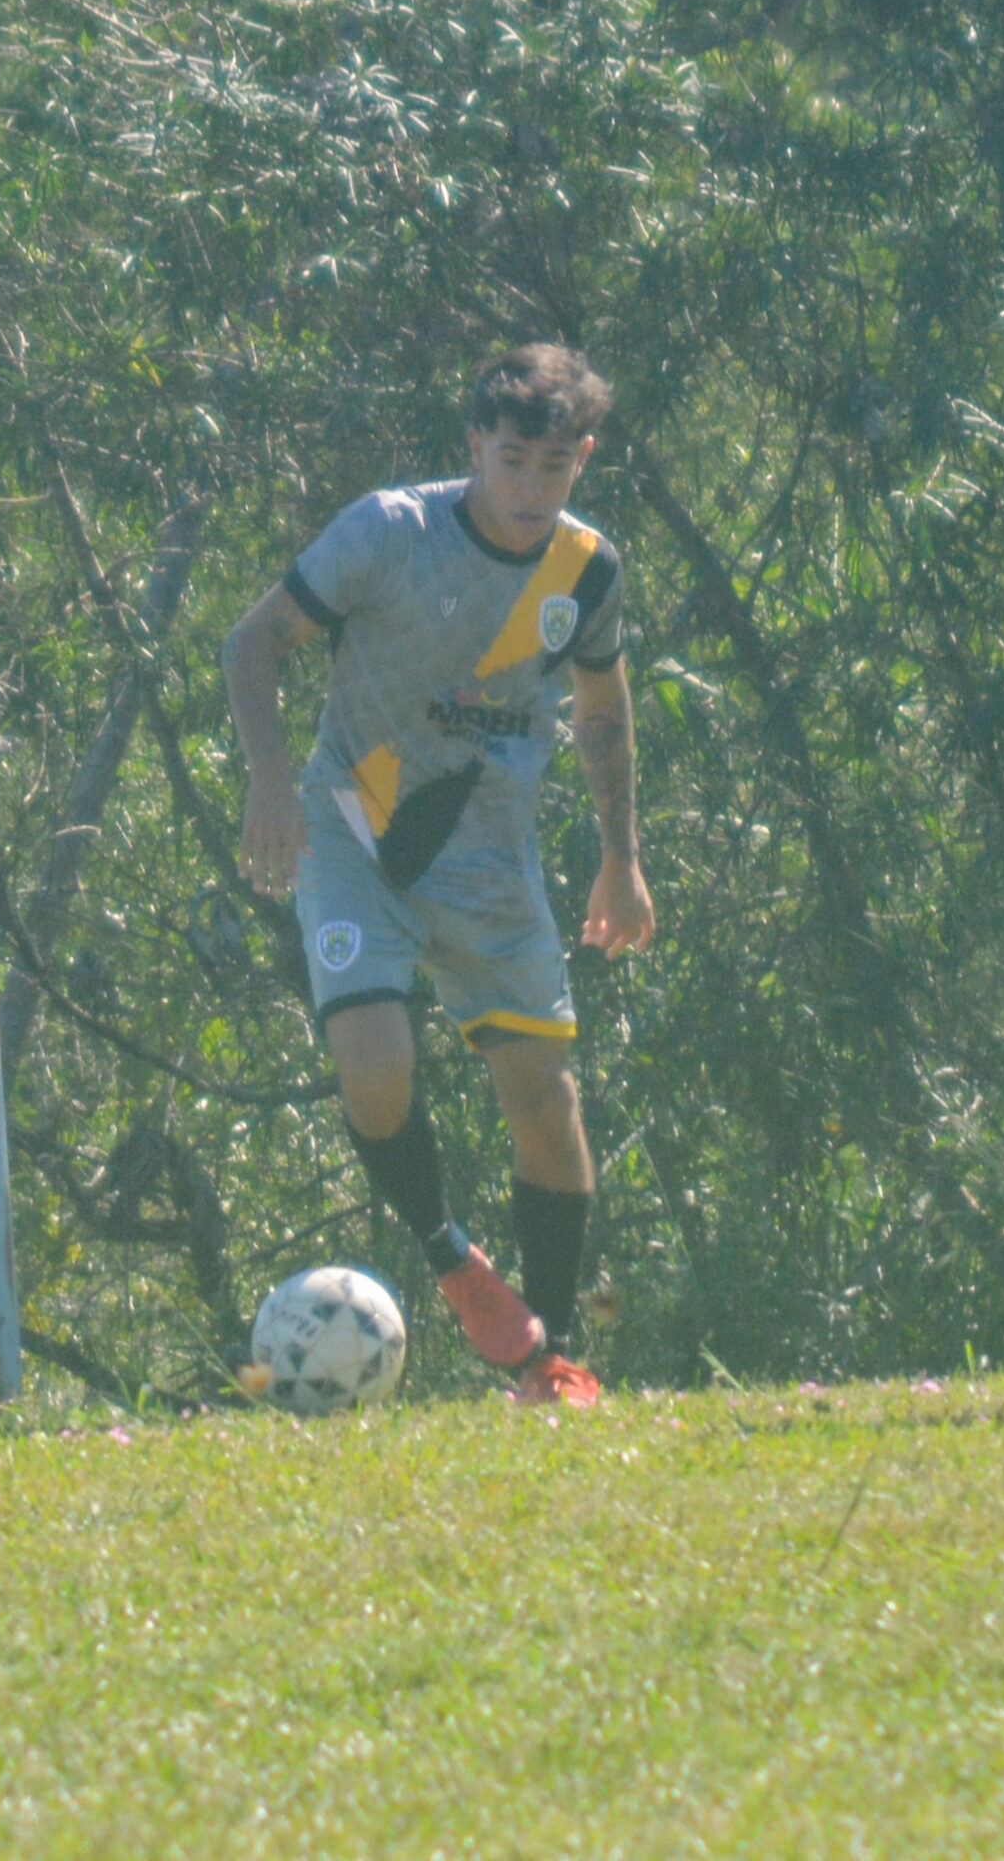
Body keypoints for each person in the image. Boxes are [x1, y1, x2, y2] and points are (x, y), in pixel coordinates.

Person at [222, 344, 655, 1407]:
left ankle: (548, 1363)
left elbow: (602, 705)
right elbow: (254, 640)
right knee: (375, 1064)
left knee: (545, 1102)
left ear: (582, 458)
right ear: (474, 445)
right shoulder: (387, 531)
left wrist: (622, 857)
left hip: (490, 859)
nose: (529, 489)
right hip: (351, 834)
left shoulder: (588, 569)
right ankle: (453, 1259)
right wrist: (270, 779)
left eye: (553, 466)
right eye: (511, 461)